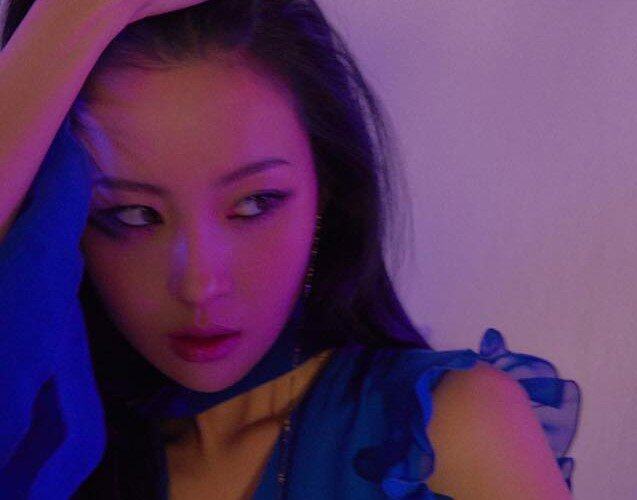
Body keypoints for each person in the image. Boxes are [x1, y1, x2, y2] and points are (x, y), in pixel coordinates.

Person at [0, 0, 581, 498]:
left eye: (255, 204)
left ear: (328, 190)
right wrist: (65, 20)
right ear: (56, 225)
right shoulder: (47, 456)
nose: (200, 284)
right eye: (132, 216)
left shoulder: (442, 431)